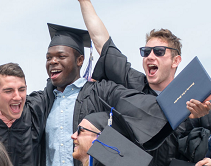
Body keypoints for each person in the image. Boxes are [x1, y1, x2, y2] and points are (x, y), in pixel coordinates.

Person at [0, 24, 201, 166]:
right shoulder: (40, 101)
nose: (53, 62)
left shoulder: (100, 91)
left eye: (60, 56)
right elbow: (10, 125)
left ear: (79, 61)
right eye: (49, 58)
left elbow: (140, 105)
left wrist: (185, 109)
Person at [77, 0, 211, 165]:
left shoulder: (196, 97)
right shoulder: (133, 85)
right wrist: (84, 1)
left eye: (159, 52)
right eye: (146, 52)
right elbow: (102, 44)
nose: (150, 56)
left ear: (176, 61)